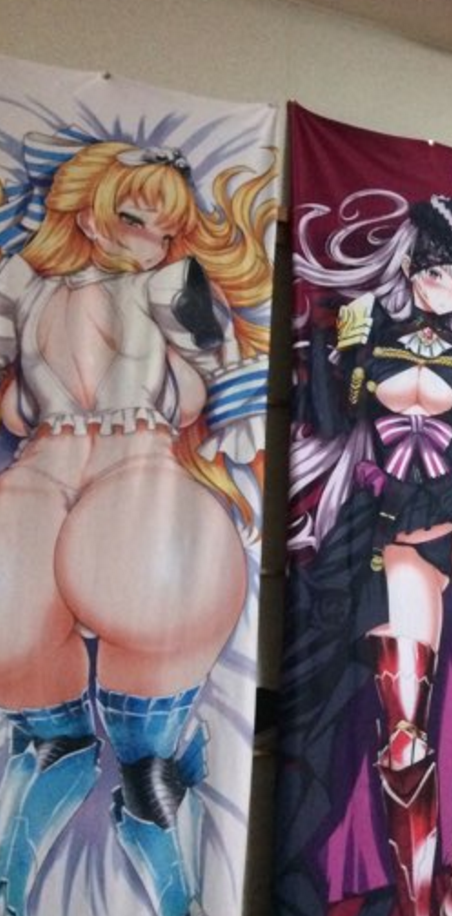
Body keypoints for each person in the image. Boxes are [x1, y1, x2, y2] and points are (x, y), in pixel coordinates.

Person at [0, 137, 274, 916]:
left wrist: (238, 420)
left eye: (165, 225)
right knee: (37, 702)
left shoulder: (165, 280)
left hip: (125, 466)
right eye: (134, 215)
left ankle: (161, 817)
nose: (151, 234)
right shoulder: (25, 281)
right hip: (52, 466)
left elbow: (220, 365)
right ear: (88, 208)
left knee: (141, 749)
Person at [281, 180, 452, 916]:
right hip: (394, 534)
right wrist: (324, 345)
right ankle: (415, 898)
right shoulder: (364, 328)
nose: (449, 290)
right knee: (403, 737)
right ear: (413, 266)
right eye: (438, 272)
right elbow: (329, 421)